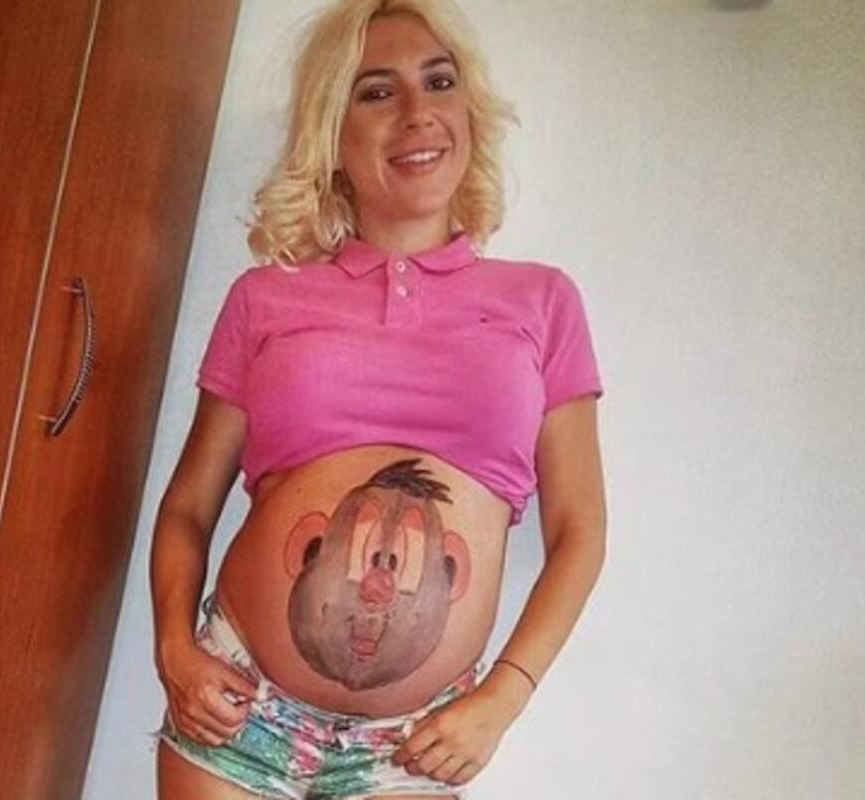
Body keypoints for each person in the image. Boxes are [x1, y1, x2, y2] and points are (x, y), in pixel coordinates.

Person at [150, 0, 606, 797]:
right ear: (333, 132)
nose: (418, 112)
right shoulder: (265, 299)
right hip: (237, 708)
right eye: (377, 91)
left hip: (418, 741)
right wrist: (174, 650)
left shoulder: (544, 302)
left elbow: (581, 531)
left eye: (440, 82)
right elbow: (189, 506)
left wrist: (503, 700)